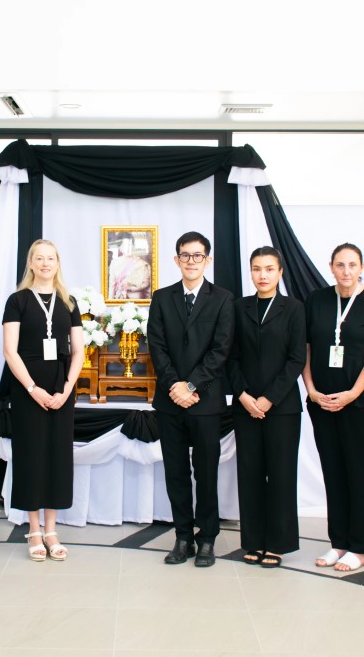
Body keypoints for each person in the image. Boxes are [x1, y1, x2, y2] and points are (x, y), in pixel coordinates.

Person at [303, 242, 364, 572]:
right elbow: (306, 349)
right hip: (323, 403)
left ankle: (359, 547)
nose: (346, 271)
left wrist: (353, 393)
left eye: (352, 265)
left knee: (360, 475)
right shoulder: (317, 300)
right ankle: (338, 543)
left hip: (361, 404)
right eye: (340, 265)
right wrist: (311, 390)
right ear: (330, 267)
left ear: (362, 267)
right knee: (334, 474)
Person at [148, 231, 234, 568]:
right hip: (170, 401)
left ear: (207, 260)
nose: (191, 261)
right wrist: (175, 386)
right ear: (176, 259)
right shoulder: (162, 297)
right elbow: (157, 345)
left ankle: (207, 538)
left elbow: (221, 348)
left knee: (206, 472)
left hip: (206, 402)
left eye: (198, 255)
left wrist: (192, 385)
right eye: (185, 255)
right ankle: (183, 536)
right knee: (176, 473)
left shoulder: (223, 299)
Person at [2, 240, 84, 561]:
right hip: (28, 388)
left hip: (61, 389)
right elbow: (10, 351)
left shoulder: (69, 302)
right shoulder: (17, 300)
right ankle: (34, 529)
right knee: (31, 455)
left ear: (58, 263)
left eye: (51, 258)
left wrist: (67, 389)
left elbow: (78, 351)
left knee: (57, 457)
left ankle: (52, 530)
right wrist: (32, 388)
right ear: (31, 263)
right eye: (40, 258)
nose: (45, 263)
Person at [227, 247, 306, 568]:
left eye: (269, 269)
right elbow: (230, 356)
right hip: (245, 406)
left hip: (282, 407)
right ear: (250, 272)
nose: (263, 275)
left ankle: (278, 543)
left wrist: (269, 398)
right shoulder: (238, 307)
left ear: (280, 272)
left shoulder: (294, 308)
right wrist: (243, 395)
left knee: (281, 475)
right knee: (250, 474)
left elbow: (296, 358)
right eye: (257, 269)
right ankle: (254, 541)